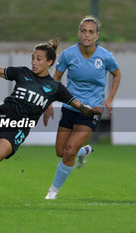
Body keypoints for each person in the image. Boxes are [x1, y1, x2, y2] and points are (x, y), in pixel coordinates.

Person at [0, 39, 103, 208]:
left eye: (39, 59)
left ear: (49, 62)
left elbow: (79, 105)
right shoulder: (22, 73)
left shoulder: (56, 88)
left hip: (16, 130)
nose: (34, 62)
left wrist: (91, 111)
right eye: (33, 58)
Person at [43, 16, 121, 200]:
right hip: (70, 106)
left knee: (69, 150)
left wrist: (109, 99)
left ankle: (52, 191)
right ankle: (83, 151)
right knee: (60, 151)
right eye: (83, 31)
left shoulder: (106, 56)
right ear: (79, 33)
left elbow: (117, 75)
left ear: (97, 35)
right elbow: (56, 78)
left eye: (91, 32)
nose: (87, 35)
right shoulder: (69, 54)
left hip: (92, 109)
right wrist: (49, 103)